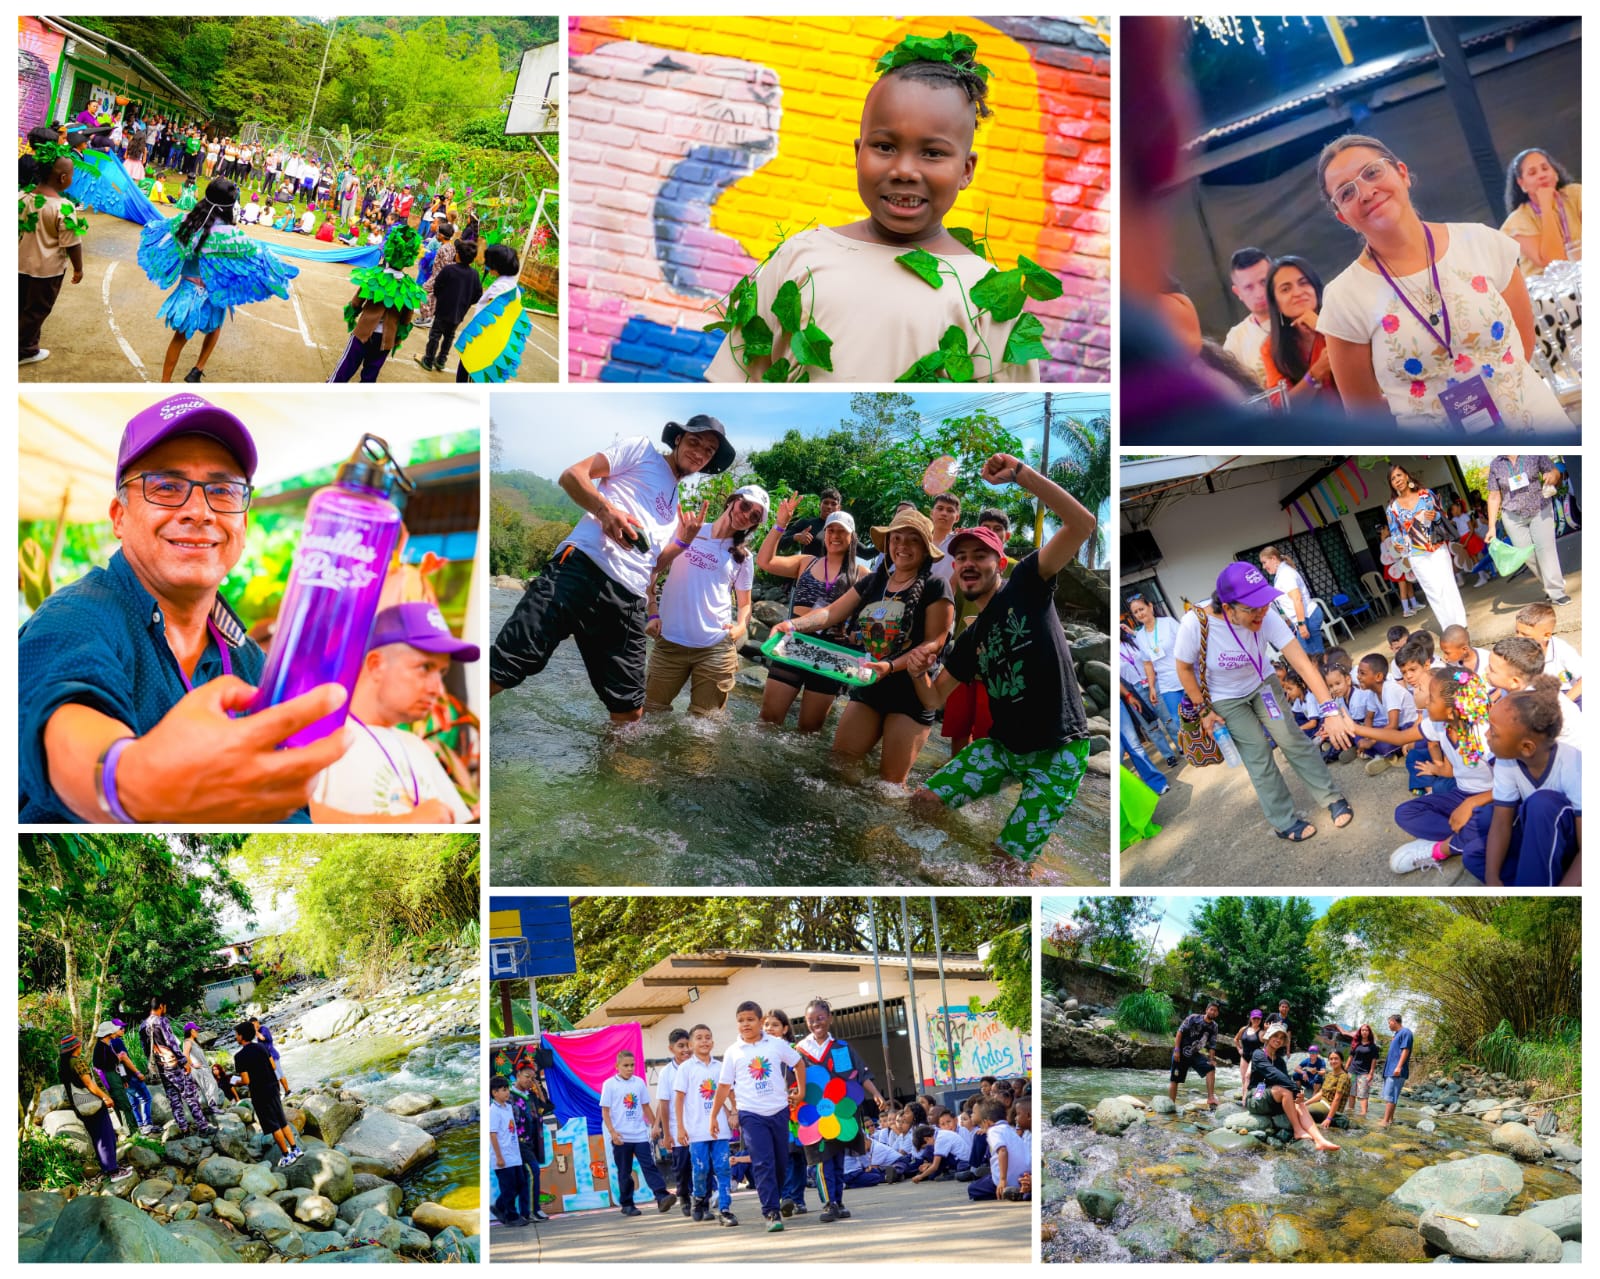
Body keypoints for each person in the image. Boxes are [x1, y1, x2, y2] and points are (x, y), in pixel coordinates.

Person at [19, 395, 350, 823]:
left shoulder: (250, 659)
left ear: (243, 525)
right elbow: (65, 721)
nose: (199, 511)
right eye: (167, 487)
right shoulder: (76, 618)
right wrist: (134, 781)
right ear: (119, 517)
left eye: (223, 491)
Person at [706, 33, 1038, 383]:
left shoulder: (989, 293)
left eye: (933, 153)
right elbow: (736, 382)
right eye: (884, 146)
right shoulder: (799, 255)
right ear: (857, 153)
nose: (904, 170)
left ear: (966, 170)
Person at [901, 456, 1099, 860]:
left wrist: (1022, 475)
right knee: (921, 804)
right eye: (962, 558)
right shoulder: (972, 636)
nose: (969, 563)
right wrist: (917, 672)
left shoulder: (1027, 584)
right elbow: (934, 699)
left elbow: (1082, 524)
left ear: (1000, 562)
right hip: (1002, 748)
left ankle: (1024, 860)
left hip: (1059, 749)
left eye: (980, 555)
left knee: (1003, 861)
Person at [1314, 134, 1567, 429]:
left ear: (1402, 173)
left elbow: (1522, 345)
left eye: (1372, 173)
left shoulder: (1482, 242)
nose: (1366, 192)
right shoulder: (1344, 298)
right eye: (1346, 192)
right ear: (1343, 217)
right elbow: (1365, 415)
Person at [490, 419, 732, 722]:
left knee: (629, 709)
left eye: (708, 451)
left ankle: (614, 766)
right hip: (580, 569)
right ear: (679, 439)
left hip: (628, 598)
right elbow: (572, 476)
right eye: (695, 442)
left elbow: (651, 564)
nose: (699, 453)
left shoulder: (675, 507)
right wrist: (605, 511)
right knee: (505, 666)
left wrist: (683, 540)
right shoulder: (641, 451)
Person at [1175, 562, 1357, 842]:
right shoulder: (1195, 624)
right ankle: (1284, 821)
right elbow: (1184, 669)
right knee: (1258, 755)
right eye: (1251, 608)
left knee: (1291, 739)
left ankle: (1331, 797)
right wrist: (1204, 710)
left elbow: (1303, 664)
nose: (1262, 612)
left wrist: (1329, 709)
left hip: (1262, 683)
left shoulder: (1265, 615)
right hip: (1225, 698)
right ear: (1228, 606)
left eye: (1264, 604)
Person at [775, 507, 954, 783]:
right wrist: (794, 625)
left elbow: (935, 642)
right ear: (888, 543)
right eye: (897, 539)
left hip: (912, 693)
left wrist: (891, 665)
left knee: (890, 785)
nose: (902, 546)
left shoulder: (936, 585)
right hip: (870, 682)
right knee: (839, 766)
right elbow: (832, 613)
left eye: (912, 540)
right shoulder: (874, 581)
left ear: (926, 547)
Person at [309, 603, 476, 823]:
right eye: (425, 667)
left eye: (442, 672)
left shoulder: (418, 747)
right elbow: (300, 816)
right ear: (376, 665)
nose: (438, 689)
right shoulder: (320, 737)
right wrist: (408, 822)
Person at [137, 176, 299, 382]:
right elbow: (257, 254)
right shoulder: (231, 236)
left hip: (189, 290)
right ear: (230, 206)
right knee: (214, 328)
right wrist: (281, 269)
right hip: (215, 291)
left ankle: (165, 382)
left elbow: (160, 230)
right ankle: (198, 368)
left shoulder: (187, 222)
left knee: (179, 338)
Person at [644, 487, 766, 716]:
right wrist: (652, 612)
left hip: (716, 649)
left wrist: (740, 627)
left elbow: (745, 604)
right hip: (670, 642)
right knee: (649, 715)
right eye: (745, 506)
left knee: (702, 728)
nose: (746, 515)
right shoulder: (689, 531)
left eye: (754, 517)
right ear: (732, 500)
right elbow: (652, 570)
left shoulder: (743, 558)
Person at [757, 495, 869, 732]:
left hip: (831, 653)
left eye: (842, 532)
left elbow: (874, 616)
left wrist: (857, 638)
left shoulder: (862, 574)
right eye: (831, 530)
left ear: (852, 538)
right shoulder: (805, 562)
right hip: (793, 643)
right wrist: (780, 526)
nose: (835, 536)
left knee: (808, 731)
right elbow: (764, 561)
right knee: (767, 721)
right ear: (824, 533)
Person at [1388, 667, 1496, 875]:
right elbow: (1401, 738)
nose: (1427, 702)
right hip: (1461, 792)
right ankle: (1468, 837)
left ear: (1450, 711)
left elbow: (1511, 787)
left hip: (1491, 799)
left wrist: (1471, 803)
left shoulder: (1485, 734)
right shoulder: (1440, 726)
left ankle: (1440, 848)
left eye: (1432, 699)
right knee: (1404, 813)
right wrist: (1354, 729)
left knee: (1490, 818)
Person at [712, 1001, 806, 1232]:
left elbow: (798, 1063)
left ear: (759, 1020)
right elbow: (724, 1086)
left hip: (778, 1111)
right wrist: (714, 1116)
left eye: (750, 1019)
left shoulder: (775, 1044)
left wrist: (801, 1092)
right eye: (741, 1020)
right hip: (751, 1114)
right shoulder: (734, 1052)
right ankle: (771, 1211)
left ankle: (777, 1198)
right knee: (763, 1162)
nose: (745, 1024)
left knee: (780, 1162)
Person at [1482, 679, 1582, 887]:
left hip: (1573, 846)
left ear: (1526, 748)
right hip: (1539, 836)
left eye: (1493, 731)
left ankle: (1536, 882)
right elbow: (1501, 823)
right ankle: (1534, 875)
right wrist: (1492, 877)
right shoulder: (1506, 760)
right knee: (1477, 850)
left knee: (1542, 803)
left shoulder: (1574, 765)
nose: (1486, 734)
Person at [796, 997, 886, 1223]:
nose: (816, 1023)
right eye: (810, 1020)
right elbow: (791, 1080)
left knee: (836, 1159)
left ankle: (837, 1200)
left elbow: (861, 1074)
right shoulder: (799, 1051)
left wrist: (875, 1093)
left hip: (840, 1113)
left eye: (820, 1018)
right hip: (815, 1115)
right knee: (821, 1158)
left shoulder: (842, 1048)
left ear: (830, 1019)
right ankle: (828, 1203)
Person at [329, 226, 428, 384]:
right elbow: (406, 319)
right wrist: (398, 338)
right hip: (386, 339)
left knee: (346, 367)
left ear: (388, 252)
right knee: (370, 375)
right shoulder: (409, 288)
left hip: (363, 333)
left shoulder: (375, 276)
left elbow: (356, 302)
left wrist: (352, 314)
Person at [19, 139, 86, 367]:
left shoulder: (21, 198)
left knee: (19, 306)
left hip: (18, 266)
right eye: (72, 174)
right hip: (46, 273)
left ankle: (28, 344)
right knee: (36, 311)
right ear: (63, 178)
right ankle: (22, 350)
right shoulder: (63, 208)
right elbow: (72, 243)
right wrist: (78, 268)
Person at [1385, 465, 1466, 630]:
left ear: (1407, 476)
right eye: (1393, 479)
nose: (1397, 480)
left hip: (1437, 547)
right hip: (1415, 554)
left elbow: (1442, 516)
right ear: (1391, 484)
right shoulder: (1392, 508)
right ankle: (1448, 628)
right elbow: (1395, 532)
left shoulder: (1426, 495)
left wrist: (1435, 515)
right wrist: (1397, 542)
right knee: (1433, 591)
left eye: (1399, 475)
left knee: (1448, 585)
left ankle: (1461, 624)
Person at [1485, 455, 1571, 606]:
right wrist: (1491, 527)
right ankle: (1549, 584)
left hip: (1540, 509)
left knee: (1545, 551)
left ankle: (1556, 592)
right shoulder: (1496, 464)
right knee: (1527, 554)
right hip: (1512, 517)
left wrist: (1552, 476)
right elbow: (1493, 496)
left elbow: (1555, 472)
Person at [600, 1050, 677, 1217]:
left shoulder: (639, 1083)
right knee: (624, 1171)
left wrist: (656, 1127)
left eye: (632, 1065)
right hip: (621, 1137)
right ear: (617, 1066)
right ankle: (627, 1204)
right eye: (625, 1065)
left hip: (640, 1134)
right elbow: (605, 1111)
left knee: (649, 1166)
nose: (629, 1068)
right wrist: (612, 1132)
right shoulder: (610, 1084)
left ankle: (662, 1196)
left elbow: (645, 1107)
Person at [674, 1022, 736, 1226]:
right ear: (691, 1044)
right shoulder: (685, 1068)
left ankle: (725, 1209)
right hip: (697, 1129)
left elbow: (730, 1092)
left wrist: (734, 1112)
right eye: (699, 1037)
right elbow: (679, 1099)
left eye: (707, 1037)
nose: (704, 1041)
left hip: (721, 1129)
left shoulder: (721, 1067)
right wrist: (681, 1127)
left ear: (713, 1042)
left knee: (723, 1168)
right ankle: (699, 1198)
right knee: (701, 1169)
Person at [1246, 1023, 1340, 1151]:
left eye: (1281, 1037)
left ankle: (1320, 1140)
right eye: (1275, 1035)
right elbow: (1273, 1074)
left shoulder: (1279, 1061)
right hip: (1256, 1095)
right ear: (1268, 1036)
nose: (1278, 1039)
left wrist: (1299, 1095)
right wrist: (1295, 1089)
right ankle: (1297, 1130)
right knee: (1285, 1090)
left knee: (1299, 1102)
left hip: (1274, 1098)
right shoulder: (1258, 1054)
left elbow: (1286, 1079)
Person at [1260, 257, 1337, 404]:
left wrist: (1322, 326)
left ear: (1315, 288)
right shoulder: (1271, 347)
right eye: (1286, 289)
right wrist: (1316, 373)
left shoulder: (1340, 319)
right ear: (1276, 304)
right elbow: (1282, 405)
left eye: (1304, 283)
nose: (1298, 292)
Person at [452, 242, 532, 382]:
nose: (486, 265)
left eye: (488, 262)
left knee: (467, 375)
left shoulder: (501, 287)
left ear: (496, 266)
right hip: (490, 343)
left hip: (483, 342)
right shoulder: (512, 285)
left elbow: (491, 318)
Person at [1500, 148, 1581, 276]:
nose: (1541, 175)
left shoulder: (1576, 194)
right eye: (1532, 173)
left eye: (1545, 168)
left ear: (1555, 173)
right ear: (1522, 184)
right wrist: (1546, 206)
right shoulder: (1516, 222)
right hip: (1549, 290)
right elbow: (1554, 262)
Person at [142, 997, 216, 1136]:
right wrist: (184, 1062)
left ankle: (183, 1128)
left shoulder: (143, 1026)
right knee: (190, 1095)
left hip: (161, 1068)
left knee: (173, 1097)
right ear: (161, 1006)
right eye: (165, 1006)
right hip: (174, 1065)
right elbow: (172, 1043)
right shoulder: (161, 1021)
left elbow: (146, 1050)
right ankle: (203, 1127)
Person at [231, 1020, 301, 1166]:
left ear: (242, 1036)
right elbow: (273, 1065)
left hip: (260, 1092)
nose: (235, 1037)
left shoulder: (239, 1056)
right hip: (273, 1086)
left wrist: (236, 1082)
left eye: (237, 1035)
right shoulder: (261, 1047)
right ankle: (295, 1149)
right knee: (282, 1120)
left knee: (273, 1125)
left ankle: (286, 1155)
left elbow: (246, 1080)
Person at [60, 1033, 124, 1185]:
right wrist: (105, 1097)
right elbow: (90, 1084)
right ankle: (114, 1171)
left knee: (98, 1137)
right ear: (75, 1047)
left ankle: (107, 1168)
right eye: (79, 1044)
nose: (81, 1045)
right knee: (106, 1135)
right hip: (93, 1104)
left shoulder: (63, 1065)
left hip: (80, 1107)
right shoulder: (77, 1062)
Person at [415, 236, 482, 373]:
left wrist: (442, 298)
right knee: (449, 336)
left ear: (457, 255)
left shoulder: (449, 269)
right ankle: (441, 361)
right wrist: (466, 303)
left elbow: (437, 286)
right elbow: (477, 295)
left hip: (443, 310)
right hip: (459, 312)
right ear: (473, 259)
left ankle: (428, 360)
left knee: (435, 335)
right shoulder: (474, 275)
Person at [1129, 594, 1186, 751]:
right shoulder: (1139, 636)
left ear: (1150, 606)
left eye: (1141, 609)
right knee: (1178, 719)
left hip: (1186, 675)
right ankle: (1198, 749)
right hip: (1167, 683)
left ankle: (1218, 741)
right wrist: (1152, 687)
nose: (1140, 614)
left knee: (1200, 711)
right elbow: (1147, 663)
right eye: (1136, 612)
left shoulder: (1168, 623)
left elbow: (1187, 644)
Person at [656, 1028, 695, 1218]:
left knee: (700, 1163)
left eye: (688, 1045)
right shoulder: (666, 1073)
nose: (686, 1050)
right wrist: (667, 1134)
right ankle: (684, 1196)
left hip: (698, 1126)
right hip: (677, 1129)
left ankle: (699, 1198)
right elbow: (663, 1104)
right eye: (681, 1046)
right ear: (671, 1049)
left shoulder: (697, 1066)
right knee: (682, 1166)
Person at [1257, 545, 1324, 657]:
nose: (1264, 567)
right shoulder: (1281, 573)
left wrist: (1302, 624)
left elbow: (1297, 599)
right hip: (1304, 618)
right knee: (1311, 656)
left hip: (1307, 618)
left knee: (1314, 657)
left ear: (1273, 559)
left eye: (1264, 562)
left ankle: (1330, 673)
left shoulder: (1285, 574)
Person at [1221, 246, 1273, 387]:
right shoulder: (1236, 339)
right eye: (1249, 287)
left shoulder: (1300, 314)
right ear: (1238, 292)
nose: (1259, 293)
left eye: (1264, 282)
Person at [1515, 602, 1583, 705]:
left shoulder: (1561, 649)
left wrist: (1564, 704)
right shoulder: (1518, 651)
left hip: (1569, 694)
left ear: (1546, 636)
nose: (1519, 638)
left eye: (1525, 634)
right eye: (1517, 631)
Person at [509, 1061, 552, 1223]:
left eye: (532, 1078)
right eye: (527, 1077)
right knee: (533, 1172)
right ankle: (534, 1210)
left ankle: (526, 1212)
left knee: (524, 1177)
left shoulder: (531, 1095)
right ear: (518, 1075)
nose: (529, 1081)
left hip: (532, 1141)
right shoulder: (510, 1096)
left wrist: (537, 1086)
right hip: (518, 1142)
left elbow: (546, 1107)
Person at [967, 1099, 1028, 1201]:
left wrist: (1002, 1180)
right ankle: (1018, 1191)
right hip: (1023, 1178)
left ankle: (1005, 1191)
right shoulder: (1010, 1130)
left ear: (987, 1122)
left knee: (973, 1189)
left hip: (1006, 1179)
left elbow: (1003, 1151)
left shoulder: (993, 1131)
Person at [489, 1075, 529, 1227]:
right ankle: (511, 1216)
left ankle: (499, 1207)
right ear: (494, 1093)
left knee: (520, 1183)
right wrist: (499, 1156)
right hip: (503, 1156)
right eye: (503, 1090)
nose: (507, 1093)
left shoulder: (508, 1108)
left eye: (507, 1090)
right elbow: (492, 1134)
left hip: (514, 1154)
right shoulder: (493, 1111)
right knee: (508, 1187)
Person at [1167, 1001, 1220, 1108]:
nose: (1213, 1012)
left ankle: (1210, 1098)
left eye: (1215, 1011)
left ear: (1217, 1014)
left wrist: (1211, 1059)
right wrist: (1176, 1050)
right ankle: (1170, 1105)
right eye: (1211, 1009)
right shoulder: (1193, 1018)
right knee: (1174, 1080)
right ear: (1206, 1010)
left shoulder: (1214, 1026)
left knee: (1211, 1068)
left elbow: (1212, 1045)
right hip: (1181, 1052)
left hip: (1195, 1054)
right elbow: (1179, 1032)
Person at [91, 1021, 138, 1138]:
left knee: (120, 1105)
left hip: (115, 1078)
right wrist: (118, 1058)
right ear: (108, 1033)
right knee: (124, 1105)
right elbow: (102, 1065)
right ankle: (133, 1132)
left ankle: (124, 1133)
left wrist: (123, 1079)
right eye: (113, 1030)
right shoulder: (100, 1048)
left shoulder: (108, 1044)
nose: (115, 1032)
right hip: (110, 1079)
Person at [1379, 1013, 1413, 1127]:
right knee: (1390, 1096)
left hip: (1396, 1071)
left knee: (1390, 1096)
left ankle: (1385, 1121)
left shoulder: (1406, 1032)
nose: (1389, 1025)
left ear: (1394, 1021)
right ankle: (1390, 1120)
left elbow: (1405, 1050)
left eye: (1389, 1023)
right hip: (1390, 1070)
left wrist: (1398, 1066)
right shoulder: (1397, 1035)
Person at [184, 1022, 227, 1111]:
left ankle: (210, 1107)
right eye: (196, 1030)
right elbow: (185, 1054)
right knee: (211, 1085)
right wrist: (192, 1064)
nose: (197, 1032)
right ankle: (212, 1107)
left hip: (204, 1069)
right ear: (191, 1031)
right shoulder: (188, 1042)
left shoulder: (194, 1042)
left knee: (210, 1086)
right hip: (199, 1069)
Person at [1308, 1048, 1352, 1128]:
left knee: (1306, 1111)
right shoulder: (1329, 1074)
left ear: (1341, 1060)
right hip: (1322, 1102)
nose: (1333, 1061)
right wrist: (1306, 1103)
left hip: (1330, 1107)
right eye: (1331, 1059)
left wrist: (1329, 1118)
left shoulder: (1343, 1077)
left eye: (1336, 1059)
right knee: (1301, 1106)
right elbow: (1321, 1093)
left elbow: (1337, 1099)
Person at [1234, 1010, 1264, 1106]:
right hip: (1244, 1056)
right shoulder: (1244, 1029)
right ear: (1250, 1018)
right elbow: (1236, 1039)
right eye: (1254, 1018)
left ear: (1261, 1019)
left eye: (1258, 1018)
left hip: (1255, 1058)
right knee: (1244, 1079)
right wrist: (1239, 1049)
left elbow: (1267, 1044)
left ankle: (1248, 1100)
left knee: (1248, 1076)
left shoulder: (1262, 1032)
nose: (1256, 1020)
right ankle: (1244, 1100)